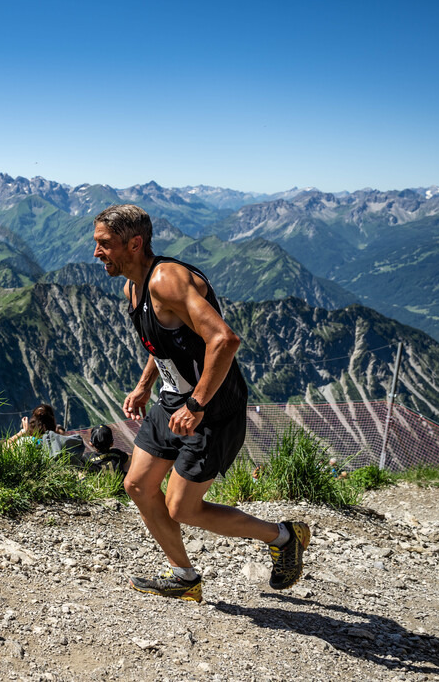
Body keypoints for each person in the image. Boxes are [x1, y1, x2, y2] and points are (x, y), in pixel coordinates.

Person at [93, 203, 310, 602]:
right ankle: (183, 577)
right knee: (138, 485)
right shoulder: (134, 287)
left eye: (105, 244)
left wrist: (195, 405)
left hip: (210, 409)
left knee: (181, 507)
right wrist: (144, 386)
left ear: (135, 243)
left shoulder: (167, 280)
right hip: (173, 400)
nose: (97, 253)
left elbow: (224, 340)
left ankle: (284, 536)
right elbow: (161, 343)